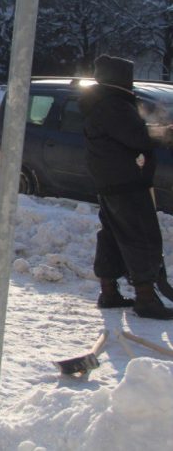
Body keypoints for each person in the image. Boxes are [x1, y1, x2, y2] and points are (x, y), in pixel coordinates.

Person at [79, 55, 173, 319]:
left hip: (111, 181)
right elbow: (138, 137)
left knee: (112, 235)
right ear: (120, 77)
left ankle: (108, 292)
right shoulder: (113, 105)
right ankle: (145, 298)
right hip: (126, 183)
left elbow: (131, 131)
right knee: (140, 237)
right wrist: (166, 133)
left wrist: (158, 129)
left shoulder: (102, 103)